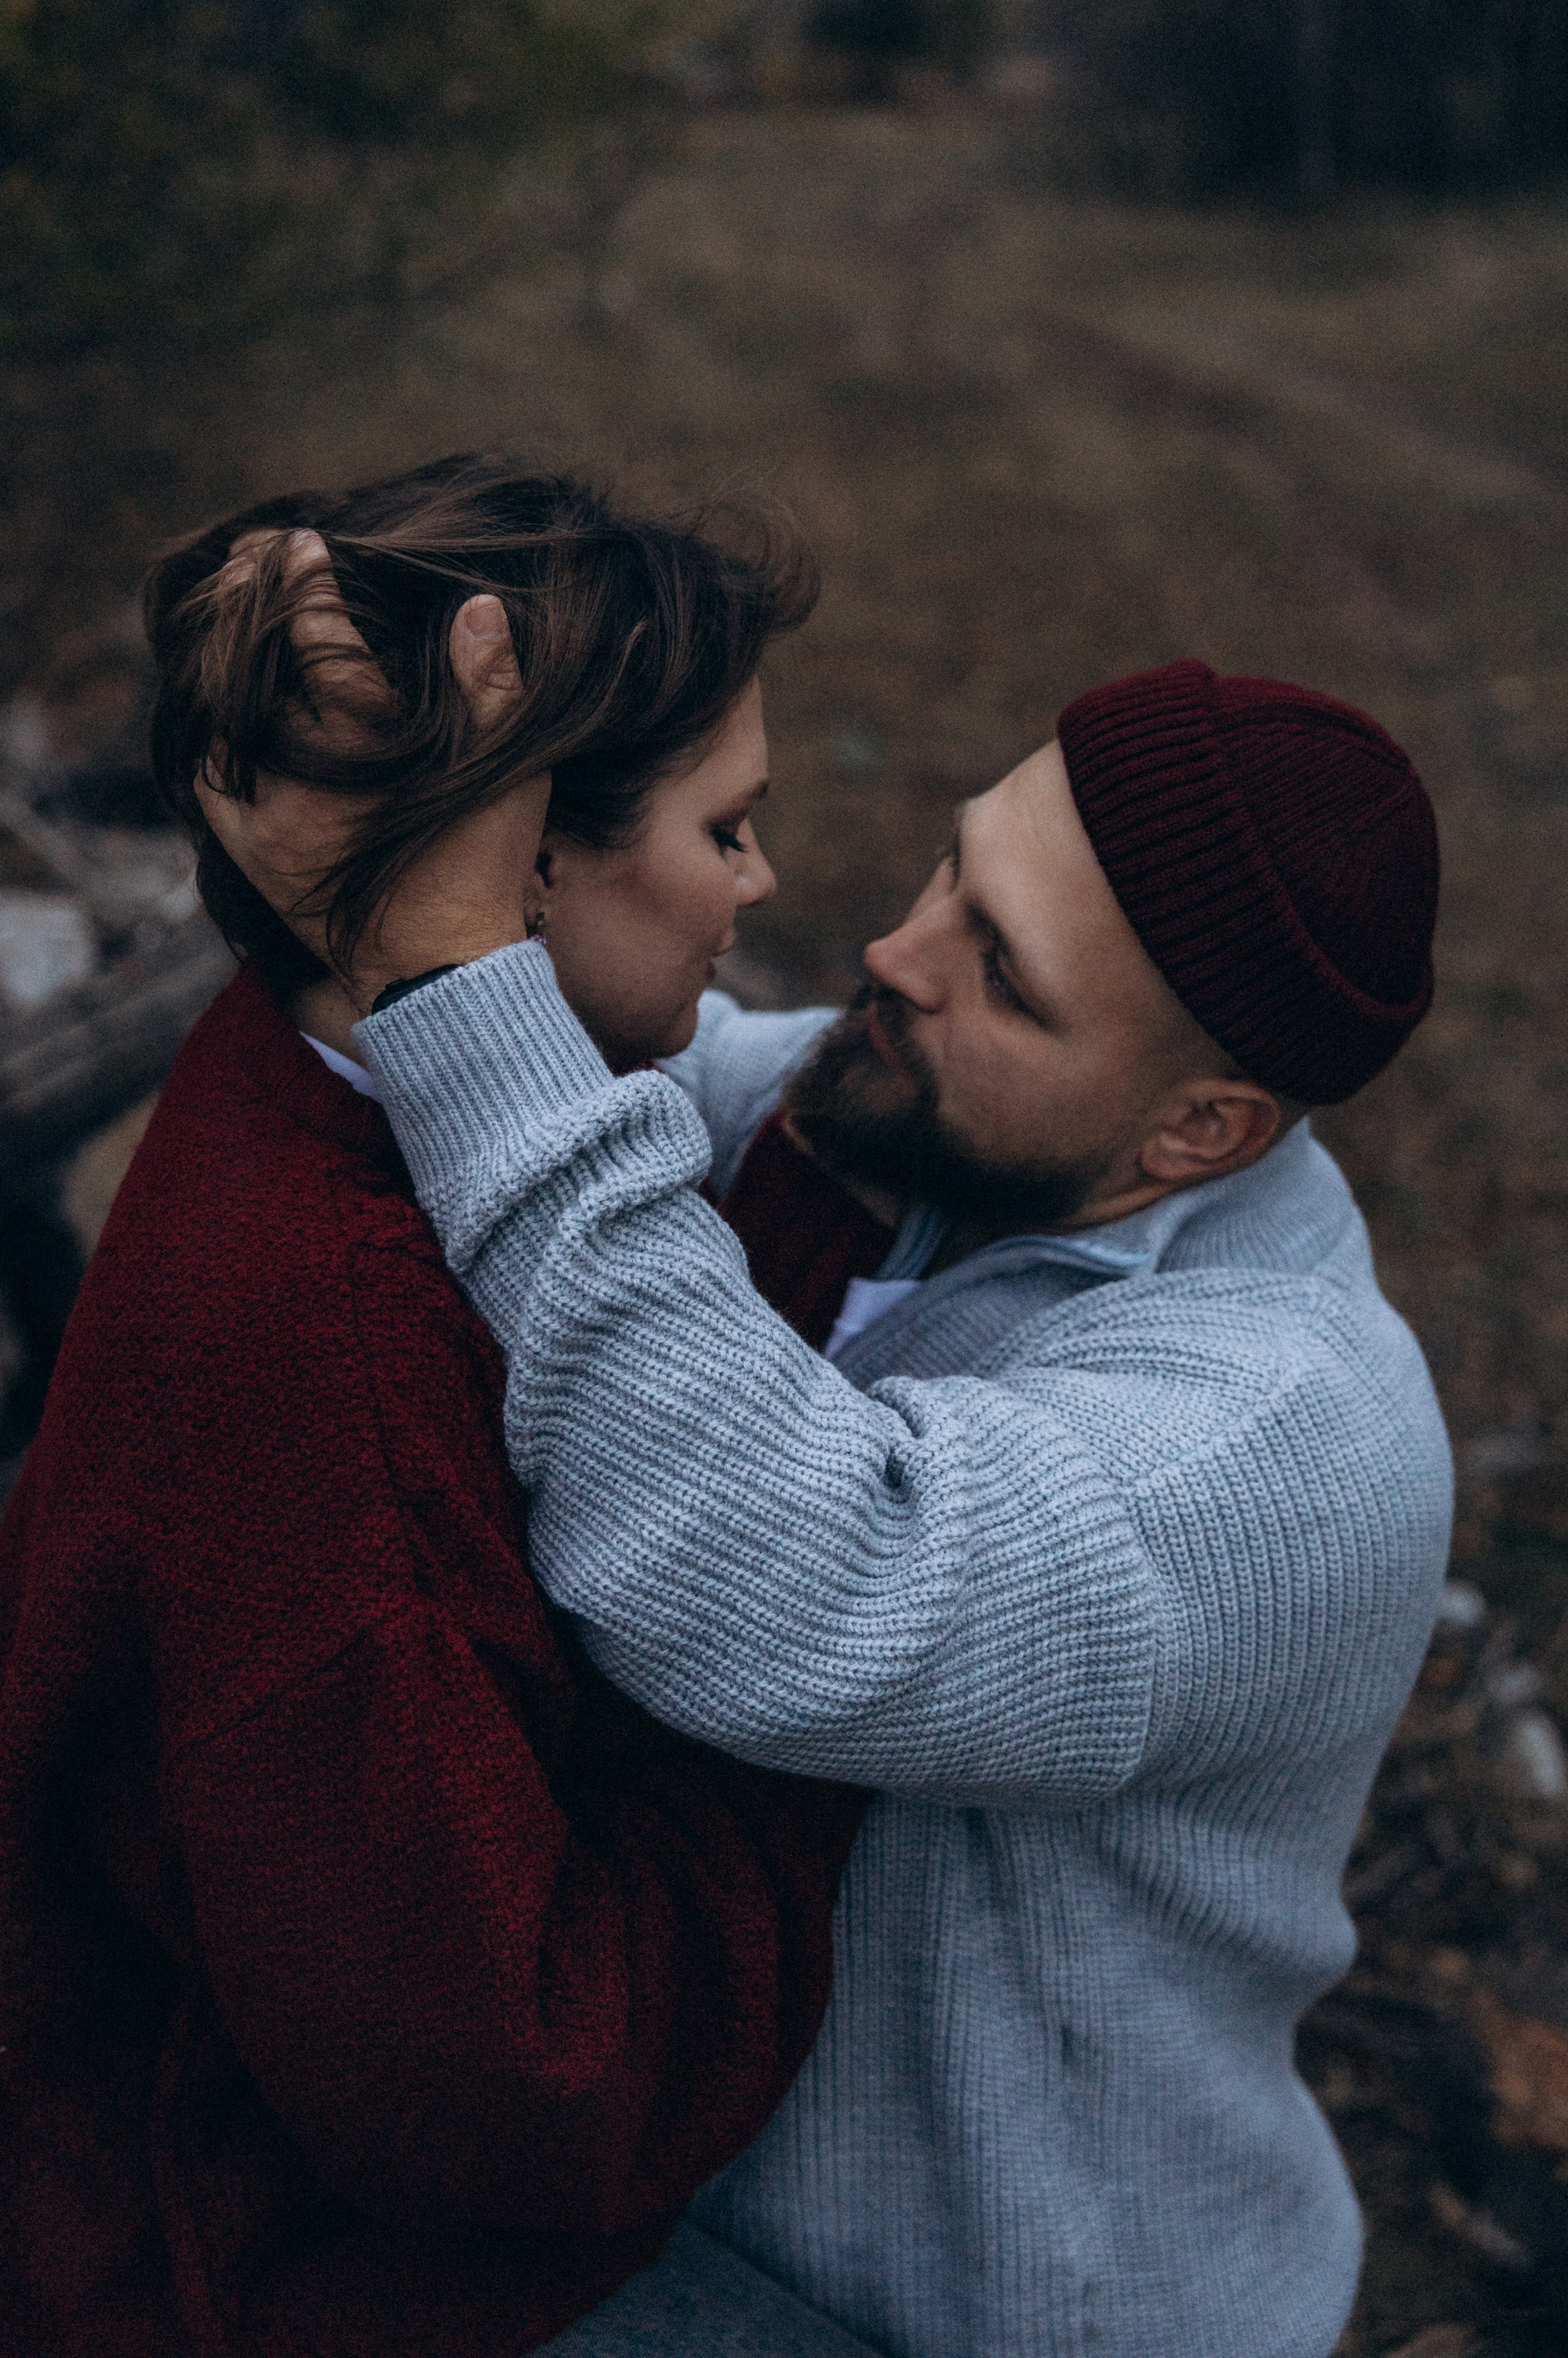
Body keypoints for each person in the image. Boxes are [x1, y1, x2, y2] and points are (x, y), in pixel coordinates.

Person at [205, 584, 1455, 2358]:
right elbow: (605, 1094)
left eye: (1001, 971)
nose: (897, 952)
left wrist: (449, 982)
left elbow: (801, 1587)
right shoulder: (904, 1112)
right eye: (956, 871)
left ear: (1200, 1131)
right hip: (663, 2185)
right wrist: (381, 760)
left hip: (964, 2311)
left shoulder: (1284, 1443)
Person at [0, 457, 880, 2358]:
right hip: (209, 2275)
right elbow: (513, 2088)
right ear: (509, 865)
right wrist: (805, 1732)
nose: (761, 884)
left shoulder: (299, 1069)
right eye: (728, 827)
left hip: (158, 2152)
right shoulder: (329, 1343)